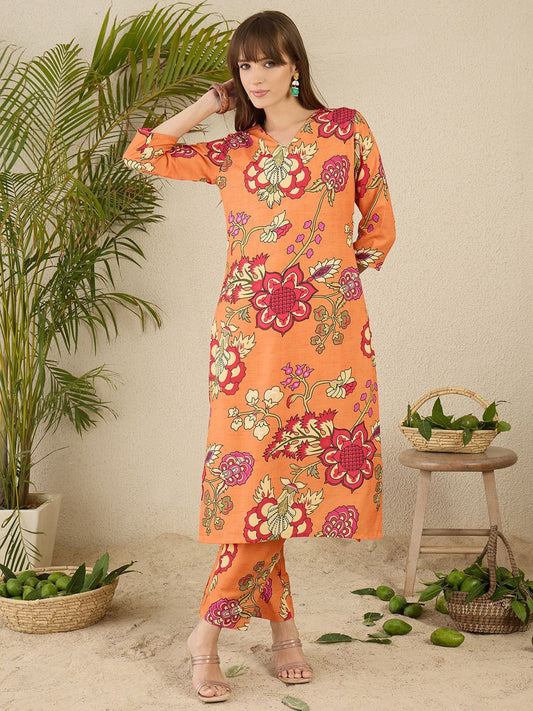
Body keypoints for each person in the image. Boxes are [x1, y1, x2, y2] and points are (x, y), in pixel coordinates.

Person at [123, 10, 396, 704]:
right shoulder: (232, 150)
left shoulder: (346, 129)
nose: (256, 76)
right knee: (255, 483)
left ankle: (275, 633)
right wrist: (209, 104)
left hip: (328, 338)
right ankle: (216, 634)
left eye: (269, 61)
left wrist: (334, 283)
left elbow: (378, 224)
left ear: (294, 64)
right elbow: (144, 153)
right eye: (244, 65)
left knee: (286, 481)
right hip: (249, 339)